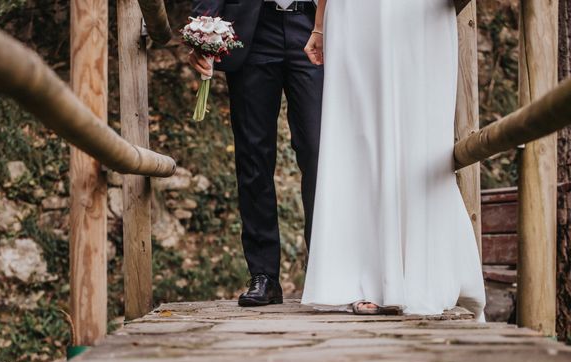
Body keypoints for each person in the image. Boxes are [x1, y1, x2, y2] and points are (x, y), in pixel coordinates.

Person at [301, 0, 486, 320]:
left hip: (416, 12)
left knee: (418, 130)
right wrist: (319, 23)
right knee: (359, 134)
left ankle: (418, 268)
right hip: (355, 13)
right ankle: (366, 277)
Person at [189, 1, 323, 307]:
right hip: (253, 29)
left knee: (319, 152)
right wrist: (201, 28)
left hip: (313, 22)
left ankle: (323, 268)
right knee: (253, 156)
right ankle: (263, 276)